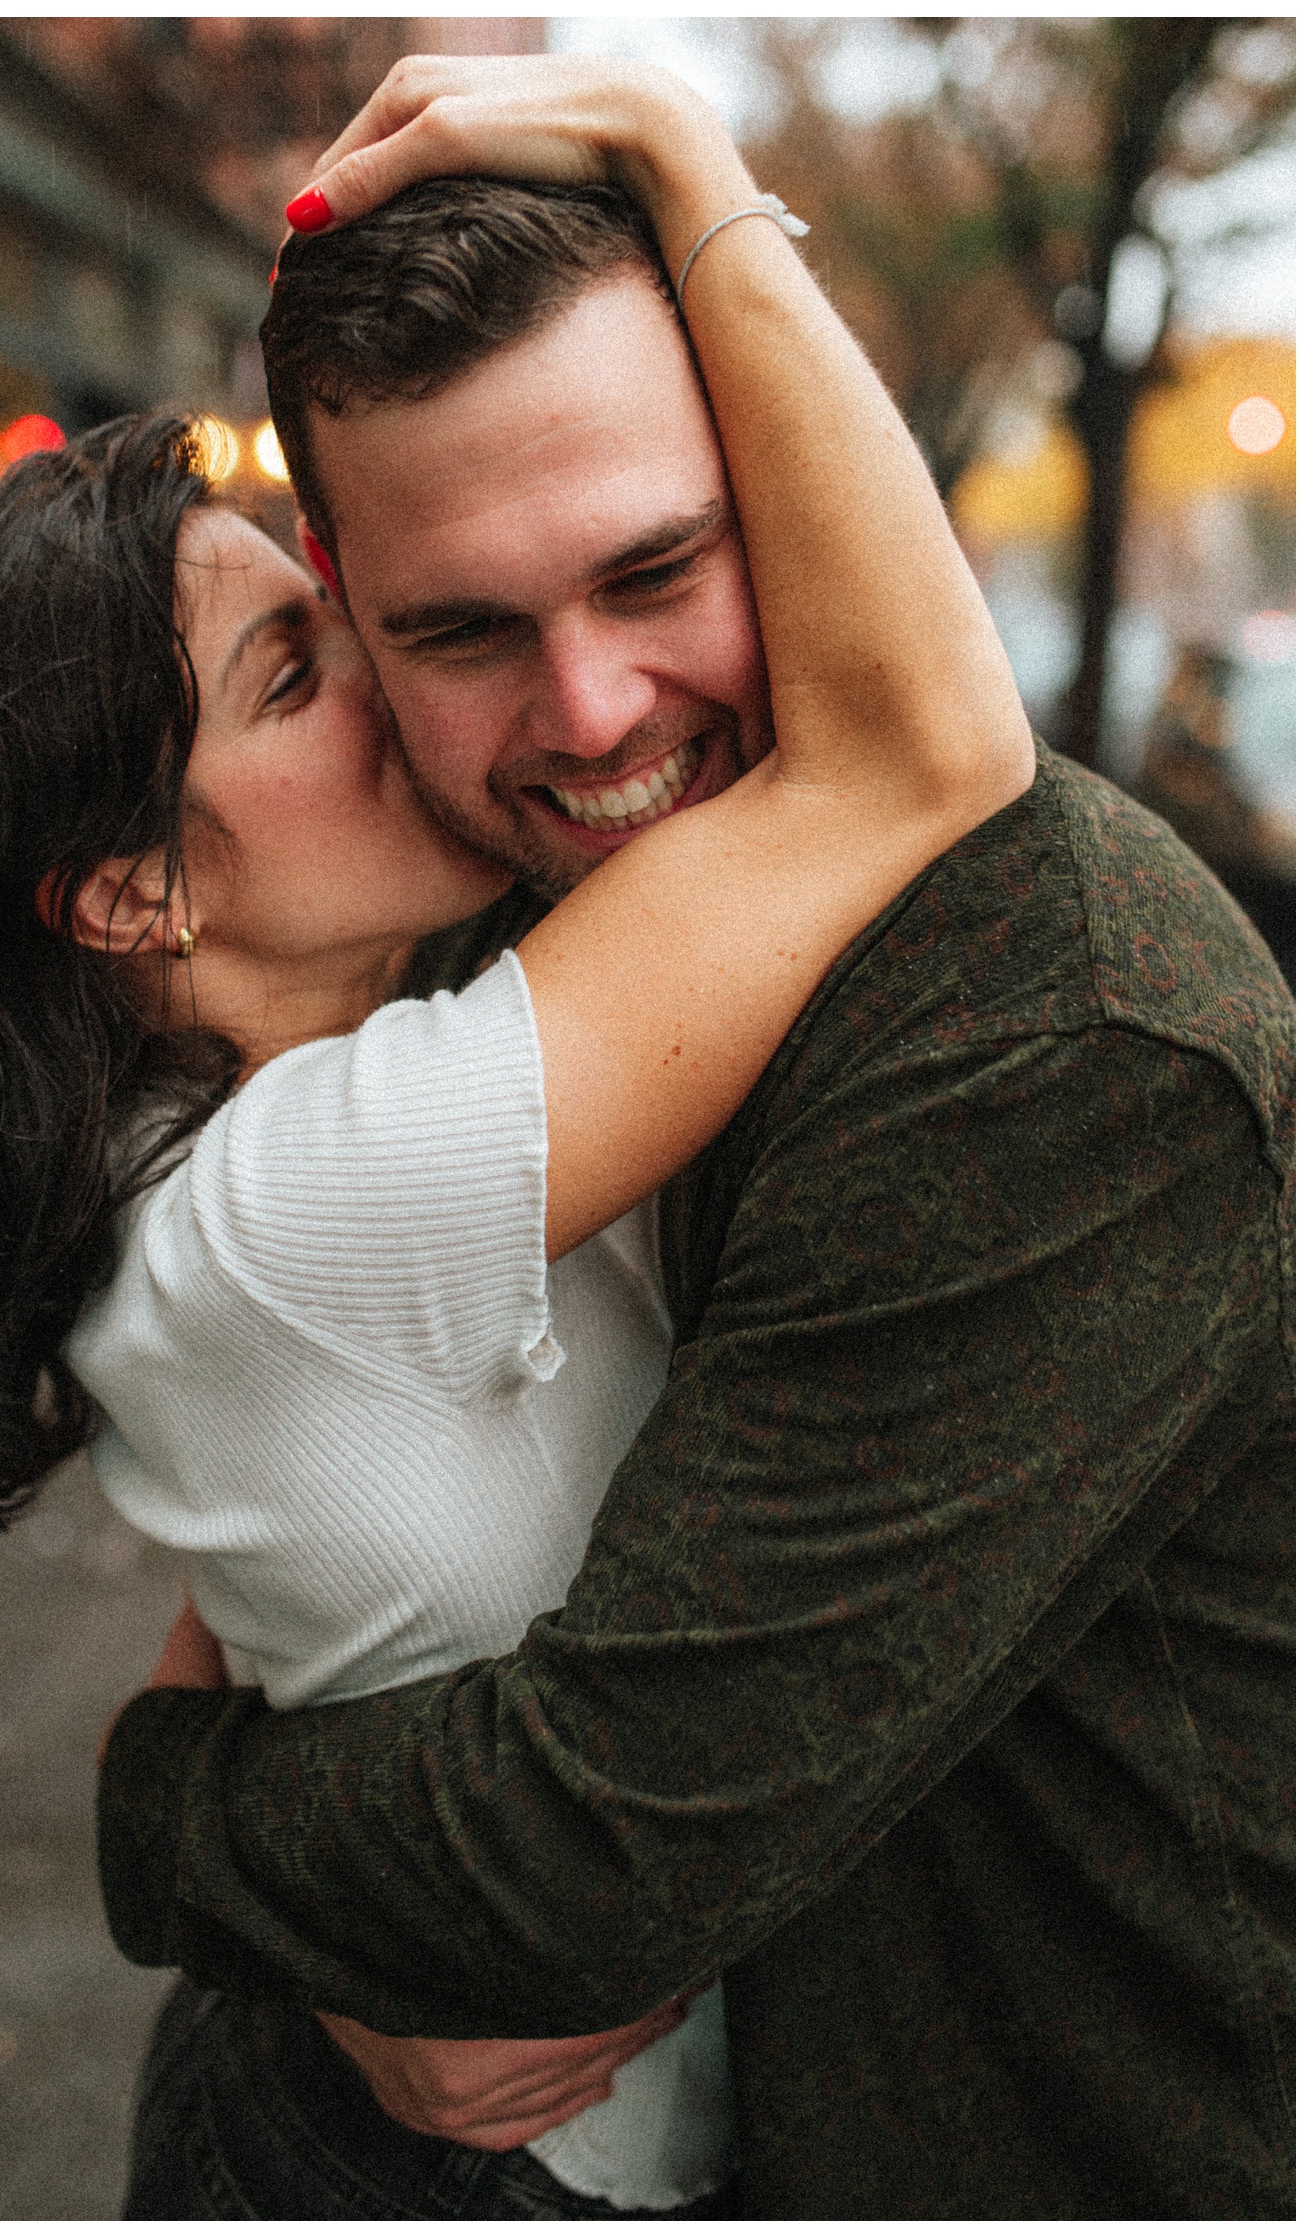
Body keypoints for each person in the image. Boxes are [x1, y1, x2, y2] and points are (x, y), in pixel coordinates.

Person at [0, 61, 1033, 2228]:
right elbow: (926, 750)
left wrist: (300, 1896)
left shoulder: (226, 1161)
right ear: (131, 897)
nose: (406, 688)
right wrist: (690, 170)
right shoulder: (308, 1200)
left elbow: (239, 1645)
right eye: (300, 675)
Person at [96, 55, 1295, 2221]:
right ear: (346, 612)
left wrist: (177, 1825)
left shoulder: (1054, 1026)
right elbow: (286, 1553)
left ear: (786, 485)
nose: (592, 716)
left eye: (661, 570)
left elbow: (586, 1859)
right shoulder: (479, 944)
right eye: (458, 629)